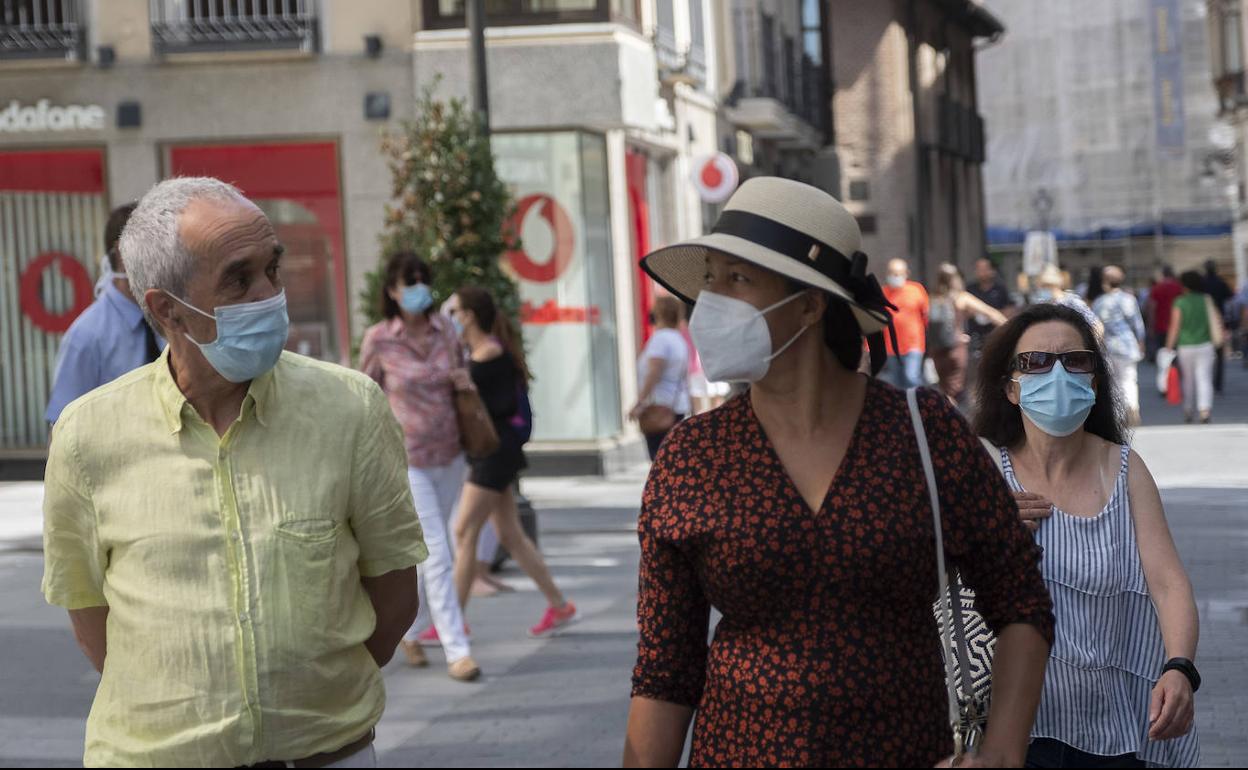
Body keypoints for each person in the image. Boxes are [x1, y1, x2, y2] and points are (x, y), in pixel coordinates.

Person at [624, 177, 1054, 767]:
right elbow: (665, 671)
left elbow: (1020, 599)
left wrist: (1003, 751)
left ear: (809, 302)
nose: (712, 301)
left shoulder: (922, 430)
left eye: (738, 278)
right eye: (710, 279)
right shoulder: (692, 456)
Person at [40, 177, 427, 767]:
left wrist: (307, 699)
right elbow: (92, 617)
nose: (271, 294)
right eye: (238, 279)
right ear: (167, 309)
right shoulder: (88, 435)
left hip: (326, 755)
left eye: (273, 269)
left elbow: (395, 594)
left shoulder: (350, 409)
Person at [973, 303, 1201, 768]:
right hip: (1011, 732)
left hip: (1116, 727)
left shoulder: (1123, 469)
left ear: (1094, 382)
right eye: (1036, 362)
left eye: (1075, 360)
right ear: (1009, 388)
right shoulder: (979, 473)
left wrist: (1179, 667)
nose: (1057, 374)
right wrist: (977, 527)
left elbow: (1168, 582)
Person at [359, 251, 480, 682]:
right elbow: (365, 393)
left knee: (438, 545)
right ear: (391, 290)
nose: (416, 289)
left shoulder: (446, 330)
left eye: (421, 280)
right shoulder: (380, 338)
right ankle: (456, 648)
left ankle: (409, 632)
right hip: (408, 458)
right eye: (408, 281)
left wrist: (464, 383)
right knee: (439, 552)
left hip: (451, 451)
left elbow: (462, 374)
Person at [444, 287, 579, 638]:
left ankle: (453, 623)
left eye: (455, 312)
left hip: (493, 455)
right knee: (510, 534)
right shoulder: (484, 353)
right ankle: (560, 605)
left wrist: (465, 387)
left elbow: (493, 410)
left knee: (463, 531)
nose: (452, 319)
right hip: (497, 455)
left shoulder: (486, 357)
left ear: (469, 315)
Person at [45, 203, 165, 424]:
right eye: (156, 248)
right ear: (121, 254)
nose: (165, 259)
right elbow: (63, 428)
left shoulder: (171, 318)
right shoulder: (86, 336)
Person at [928, 262, 1007, 404]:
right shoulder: (961, 298)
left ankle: (945, 419)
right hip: (956, 347)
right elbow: (990, 313)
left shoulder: (933, 298)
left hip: (937, 349)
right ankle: (960, 421)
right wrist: (1010, 328)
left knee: (945, 387)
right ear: (955, 279)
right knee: (958, 389)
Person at [630, 295, 692, 459]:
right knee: (672, 459)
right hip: (676, 404)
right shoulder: (679, 339)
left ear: (659, 313)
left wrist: (639, 402)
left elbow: (654, 372)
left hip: (660, 406)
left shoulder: (661, 339)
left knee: (659, 459)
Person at [1166, 271, 1224, 424]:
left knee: (1188, 380)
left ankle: (1188, 410)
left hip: (1185, 346)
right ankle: (1205, 411)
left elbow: (1175, 326)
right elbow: (1216, 320)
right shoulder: (1206, 300)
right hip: (1206, 345)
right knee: (1204, 378)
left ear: (1184, 284)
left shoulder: (1180, 302)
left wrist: (1169, 346)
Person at [1092, 266, 1146, 424]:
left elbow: (1096, 326)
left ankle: (1119, 413)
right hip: (1127, 344)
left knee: (1113, 382)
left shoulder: (1099, 302)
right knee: (1129, 378)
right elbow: (1137, 323)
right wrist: (1141, 341)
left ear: (1105, 282)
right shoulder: (1128, 299)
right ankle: (1132, 407)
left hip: (1108, 346)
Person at [881, 257, 930, 389]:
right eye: (892, 273)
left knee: (911, 377)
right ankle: (903, 408)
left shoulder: (916, 290)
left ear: (906, 274)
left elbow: (926, 315)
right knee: (896, 383)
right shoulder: (882, 293)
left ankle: (919, 405)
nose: (895, 276)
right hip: (891, 346)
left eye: (898, 273)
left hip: (913, 344)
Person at [1203, 260, 1233, 393]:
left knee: (1206, 354)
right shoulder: (1221, 282)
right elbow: (1230, 297)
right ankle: (1218, 384)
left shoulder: (1202, 283)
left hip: (1204, 321)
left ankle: (1207, 381)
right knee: (1219, 355)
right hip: (1219, 320)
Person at [1146, 266, 1183, 362]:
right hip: (1178, 325)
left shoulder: (1156, 288)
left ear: (1163, 274)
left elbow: (1151, 309)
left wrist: (1150, 326)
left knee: (1163, 356)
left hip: (1160, 325)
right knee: (1176, 356)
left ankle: (1165, 375)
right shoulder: (1180, 287)